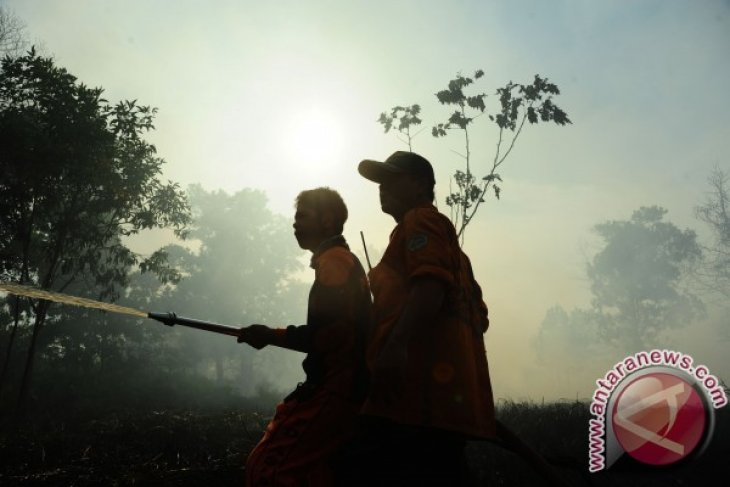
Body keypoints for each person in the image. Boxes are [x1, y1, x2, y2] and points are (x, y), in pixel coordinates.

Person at [335, 151, 497, 486]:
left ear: (421, 184)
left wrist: (396, 346)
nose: (383, 187)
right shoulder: (453, 251)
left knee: (357, 467)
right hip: (444, 402)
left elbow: (430, 288)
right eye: (380, 181)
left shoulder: (420, 221)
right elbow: (478, 317)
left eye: (392, 179)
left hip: (411, 394)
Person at [238, 187, 372, 487]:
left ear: (326, 221)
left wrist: (268, 335)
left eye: (302, 216)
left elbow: (325, 335)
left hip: (336, 388)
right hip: (344, 388)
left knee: (267, 471)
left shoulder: (336, 262)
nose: (295, 224)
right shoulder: (337, 260)